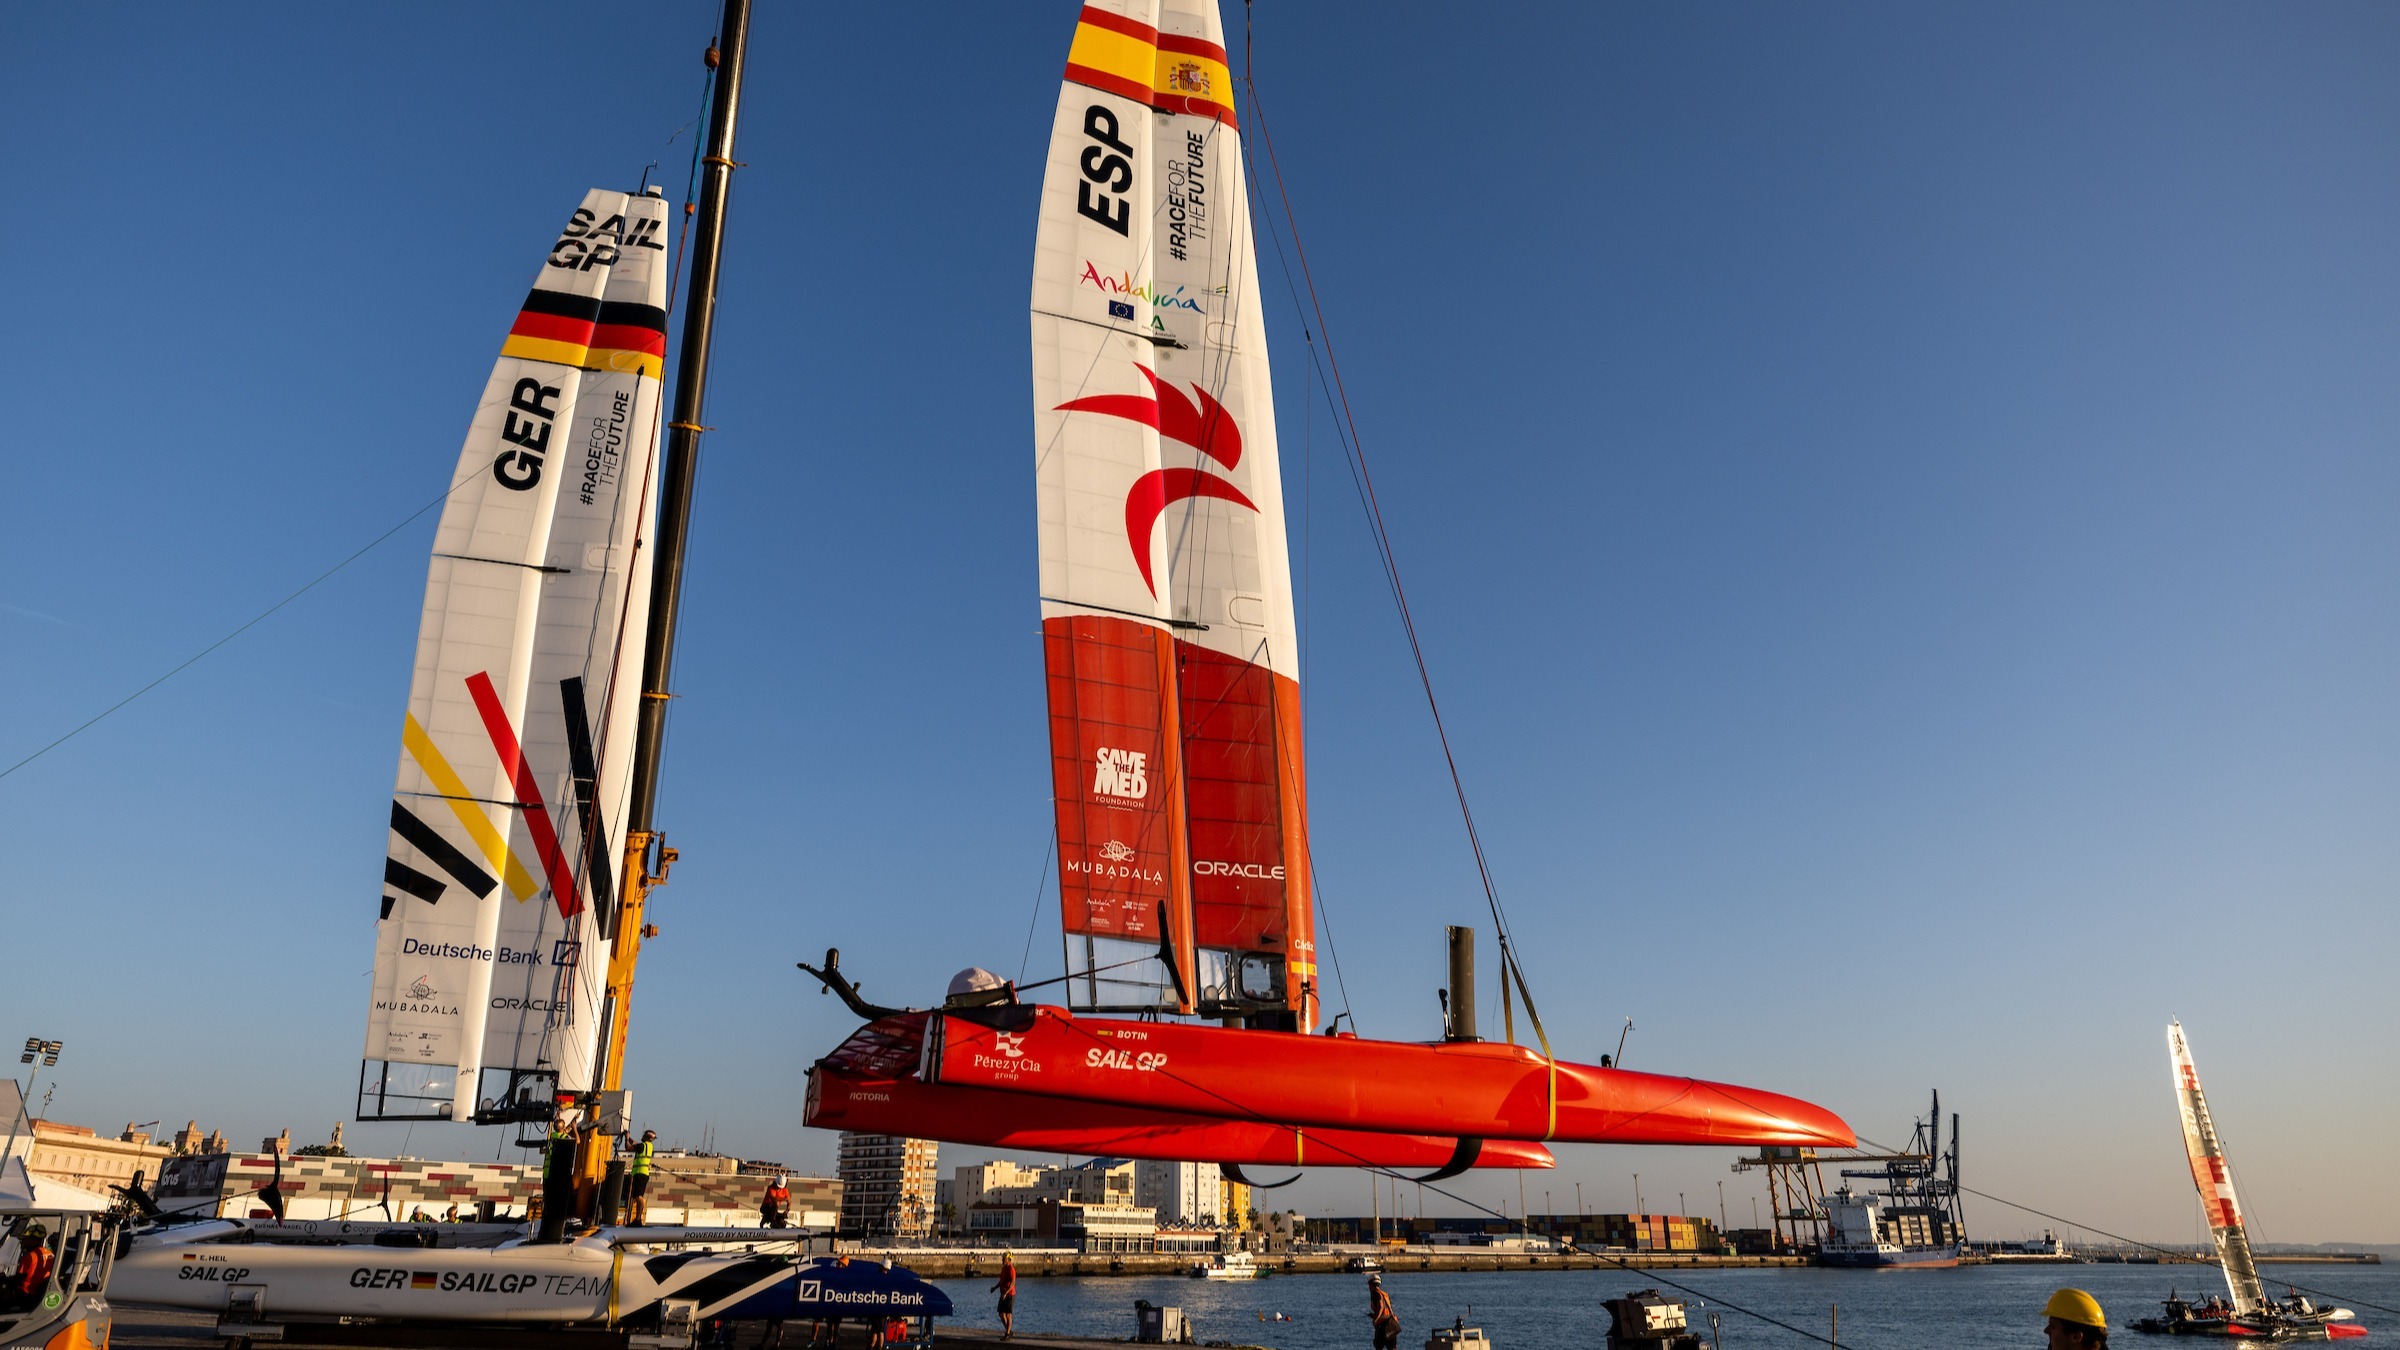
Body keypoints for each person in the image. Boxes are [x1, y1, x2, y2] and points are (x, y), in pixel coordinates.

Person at [12, 1223, 54, 1308]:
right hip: (40, 1294)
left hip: (26, 1294)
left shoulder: (30, 1256)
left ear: (33, 1240)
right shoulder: (50, 1254)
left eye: (25, 1239)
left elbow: (19, 1278)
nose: (22, 1242)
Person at [627, 1129, 657, 1226]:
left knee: (639, 1197)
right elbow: (636, 1144)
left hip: (640, 1174)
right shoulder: (648, 1146)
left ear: (647, 1137)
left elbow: (628, 1148)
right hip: (642, 1174)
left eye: (644, 1135)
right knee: (637, 1196)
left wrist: (626, 1139)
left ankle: (638, 1219)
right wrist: (628, 1137)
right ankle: (637, 1218)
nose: (642, 1136)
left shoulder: (642, 1146)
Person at [1368, 1273, 1400, 1350]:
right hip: (1391, 1323)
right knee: (1392, 1347)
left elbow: (1381, 1306)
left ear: (1371, 1284)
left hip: (1383, 1325)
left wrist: (1376, 1319)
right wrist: (1374, 1315)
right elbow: (1387, 1309)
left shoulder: (1375, 1293)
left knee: (1378, 1346)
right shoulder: (1384, 1294)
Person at [991, 1250, 1017, 1339]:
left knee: (1008, 1314)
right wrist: (995, 1288)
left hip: (1010, 1294)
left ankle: (1007, 1333)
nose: (1002, 1260)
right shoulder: (1004, 1269)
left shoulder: (1011, 1269)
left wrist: (1006, 1292)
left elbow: (1013, 1282)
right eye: (1002, 1258)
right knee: (1001, 1314)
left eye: (1004, 1259)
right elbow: (1001, 1281)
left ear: (1008, 1260)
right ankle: (1008, 1331)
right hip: (1003, 1293)